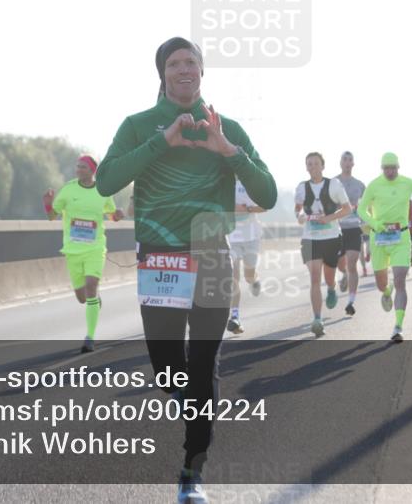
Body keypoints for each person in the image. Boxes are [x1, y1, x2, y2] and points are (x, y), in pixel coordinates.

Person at [96, 37, 276, 503]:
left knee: (203, 366)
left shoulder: (226, 127)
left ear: (202, 71)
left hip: (212, 252)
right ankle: (196, 410)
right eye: (174, 63)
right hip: (160, 255)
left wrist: (227, 150)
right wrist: (163, 141)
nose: (183, 70)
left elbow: (269, 193)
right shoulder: (138, 126)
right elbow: (106, 182)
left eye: (191, 62)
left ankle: (191, 473)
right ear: (162, 73)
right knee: (167, 368)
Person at [43, 155, 124, 353]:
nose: (78, 170)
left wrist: (118, 215)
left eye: (83, 167)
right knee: (82, 297)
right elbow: (53, 216)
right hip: (73, 250)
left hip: (95, 248)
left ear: (92, 171)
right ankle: (93, 299)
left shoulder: (102, 190)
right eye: (77, 166)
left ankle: (90, 337)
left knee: (91, 286)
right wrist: (47, 204)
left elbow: (112, 215)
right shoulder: (69, 189)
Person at [357, 152, 412, 343]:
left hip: (401, 237)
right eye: (386, 168)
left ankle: (398, 327)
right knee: (381, 283)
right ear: (382, 168)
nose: (390, 171)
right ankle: (386, 292)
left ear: (398, 167)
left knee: (400, 279)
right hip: (379, 238)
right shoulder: (374, 185)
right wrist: (373, 222)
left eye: (393, 167)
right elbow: (361, 209)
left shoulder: (407, 183)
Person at [295, 152, 351, 337]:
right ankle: (317, 319)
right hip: (310, 238)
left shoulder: (333, 185)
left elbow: (347, 208)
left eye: (316, 164)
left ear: (323, 166)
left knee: (328, 278)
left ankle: (332, 288)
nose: (313, 167)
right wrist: (300, 216)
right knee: (314, 278)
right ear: (306, 167)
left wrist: (329, 217)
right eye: (309, 164)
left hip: (331, 237)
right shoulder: (302, 187)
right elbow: (298, 210)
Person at [226, 179, 266, 334]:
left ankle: (254, 279)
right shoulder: (224, 182)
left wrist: (248, 208)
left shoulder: (250, 182)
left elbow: (265, 206)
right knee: (233, 278)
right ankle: (235, 317)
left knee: (248, 276)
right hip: (231, 238)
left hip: (251, 237)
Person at [334, 151, 365, 316]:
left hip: (354, 227)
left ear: (353, 164)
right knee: (341, 264)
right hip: (337, 228)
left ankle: (351, 301)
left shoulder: (360, 185)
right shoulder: (333, 183)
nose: (347, 163)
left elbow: (367, 206)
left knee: (352, 263)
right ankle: (343, 274)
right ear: (340, 163)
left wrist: (367, 221)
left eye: (350, 160)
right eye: (344, 160)